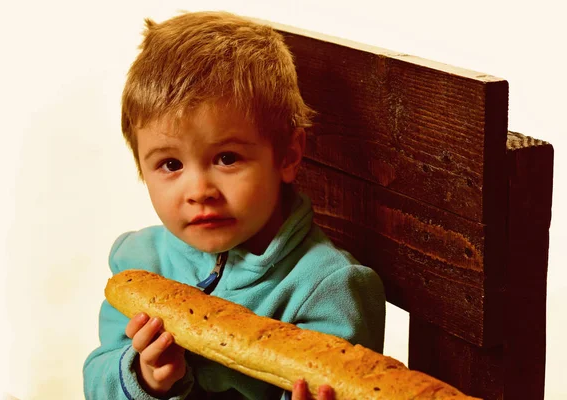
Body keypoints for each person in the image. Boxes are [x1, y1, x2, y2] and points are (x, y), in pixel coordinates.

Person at [83, 11, 385, 400]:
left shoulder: (327, 287)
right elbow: (97, 379)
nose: (200, 190)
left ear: (288, 155)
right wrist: (141, 375)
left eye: (226, 158)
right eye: (170, 164)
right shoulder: (138, 264)